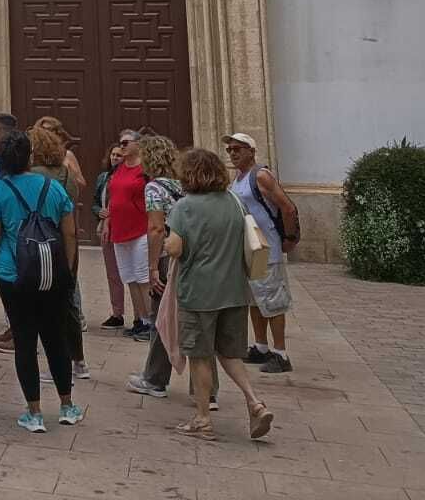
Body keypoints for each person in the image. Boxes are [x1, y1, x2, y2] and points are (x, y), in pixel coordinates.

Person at [164, 147, 274, 441]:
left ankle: (202, 419)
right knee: (230, 353)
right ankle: (254, 401)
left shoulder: (184, 207)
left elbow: (175, 248)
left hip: (199, 292)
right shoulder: (235, 202)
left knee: (200, 356)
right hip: (235, 290)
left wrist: (166, 243)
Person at [0, 128, 84, 433]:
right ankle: (67, 405)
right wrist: (69, 269)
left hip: (13, 273)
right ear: (30, 156)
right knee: (55, 337)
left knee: (24, 341)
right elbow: (70, 232)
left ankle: (34, 411)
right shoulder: (52, 187)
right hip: (53, 272)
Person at [126, 135, 215, 405]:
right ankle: (207, 391)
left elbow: (156, 228)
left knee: (162, 317)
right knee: (200, 322)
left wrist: (153, 267)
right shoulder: (189, 185)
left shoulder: (154, 188)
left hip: (169, 256)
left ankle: (155, 378)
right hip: (196, 257)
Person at [225, 133, 300, 373]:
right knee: (255, 300)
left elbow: (287, 207)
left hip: (267, 248)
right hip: (249, 249)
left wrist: (288, 238)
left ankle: (281, 353)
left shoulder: (261, 175)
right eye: (229, 150)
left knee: (273, 300)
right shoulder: (237, 179)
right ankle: (261, 346)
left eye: (238, 149)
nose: (233, 153)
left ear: (251, 151)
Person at [30, 126, 90, 382]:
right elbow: (72, 208)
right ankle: (79, 360)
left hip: (37, 244)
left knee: (43, 307)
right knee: (67, 304)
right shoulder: (66, 174)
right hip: (64, 243)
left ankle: (56, 363)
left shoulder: (30, 176)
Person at [104, 128, 154, 340]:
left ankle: (153, 324)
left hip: (140, 229)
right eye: (120, 143)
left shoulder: (145, 170)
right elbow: (113, 197)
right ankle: (141, 320)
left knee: (143, 277)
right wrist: (107, 222)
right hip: (119, 230)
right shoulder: (119, 169)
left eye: (125, 143)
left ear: (137, 144)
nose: (121, 146)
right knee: (130, 277)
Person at [93, 143, 127, 328]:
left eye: (119, 155)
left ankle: (142, 316)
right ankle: (117, 313)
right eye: (113, 154)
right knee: (113, 273)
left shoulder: (134, 177)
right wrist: (99, 211)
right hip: (106, 229)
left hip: (126, 229)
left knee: (133, 273)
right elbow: (95, 202)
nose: (115, 158)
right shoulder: (103, 178)